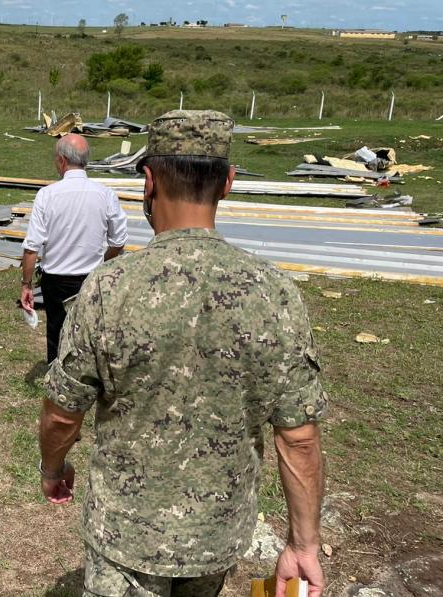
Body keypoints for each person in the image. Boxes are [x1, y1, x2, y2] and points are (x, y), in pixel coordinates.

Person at [38, 110, 328, 597]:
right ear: (229, 182)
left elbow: (63, 415)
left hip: (125, 537)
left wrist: (52, 468)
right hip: (216, 535)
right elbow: (298, 438)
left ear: (148, 181)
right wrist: (304, 545)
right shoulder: (276, 293)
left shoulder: (108, 289)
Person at [20, 134, 128, 365]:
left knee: (57, 329)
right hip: (92, 278)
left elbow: (32, 248)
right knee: (91, 331)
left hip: (56, 279)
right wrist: (102, 262)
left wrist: (26, 284)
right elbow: (118, 241)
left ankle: (58, 374)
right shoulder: (105, 194)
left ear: (61, 160)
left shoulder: (47, 195)